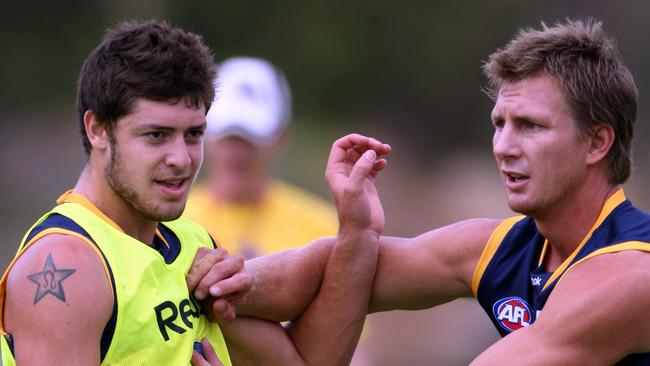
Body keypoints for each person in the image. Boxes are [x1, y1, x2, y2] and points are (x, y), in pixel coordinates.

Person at [201, 19, 650, 365]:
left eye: (529, 126)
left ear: (597, 142)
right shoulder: (504, 246)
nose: (503, 147)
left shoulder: (632, 275)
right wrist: (198, 286)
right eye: (499, 124)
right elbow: (326, 268)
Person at [0, 19, 392, 366]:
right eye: (156, 135)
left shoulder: (192, 244)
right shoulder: (64, 267)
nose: (181, 159)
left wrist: (360, 231)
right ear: (97, 129)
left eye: (194, 134)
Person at [184, 56, 338, 259]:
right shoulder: (169, 224)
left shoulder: (324, 230)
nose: (237, 152)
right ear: (205, 134)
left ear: (281, 136)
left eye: (251, 138)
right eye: (227, 135)